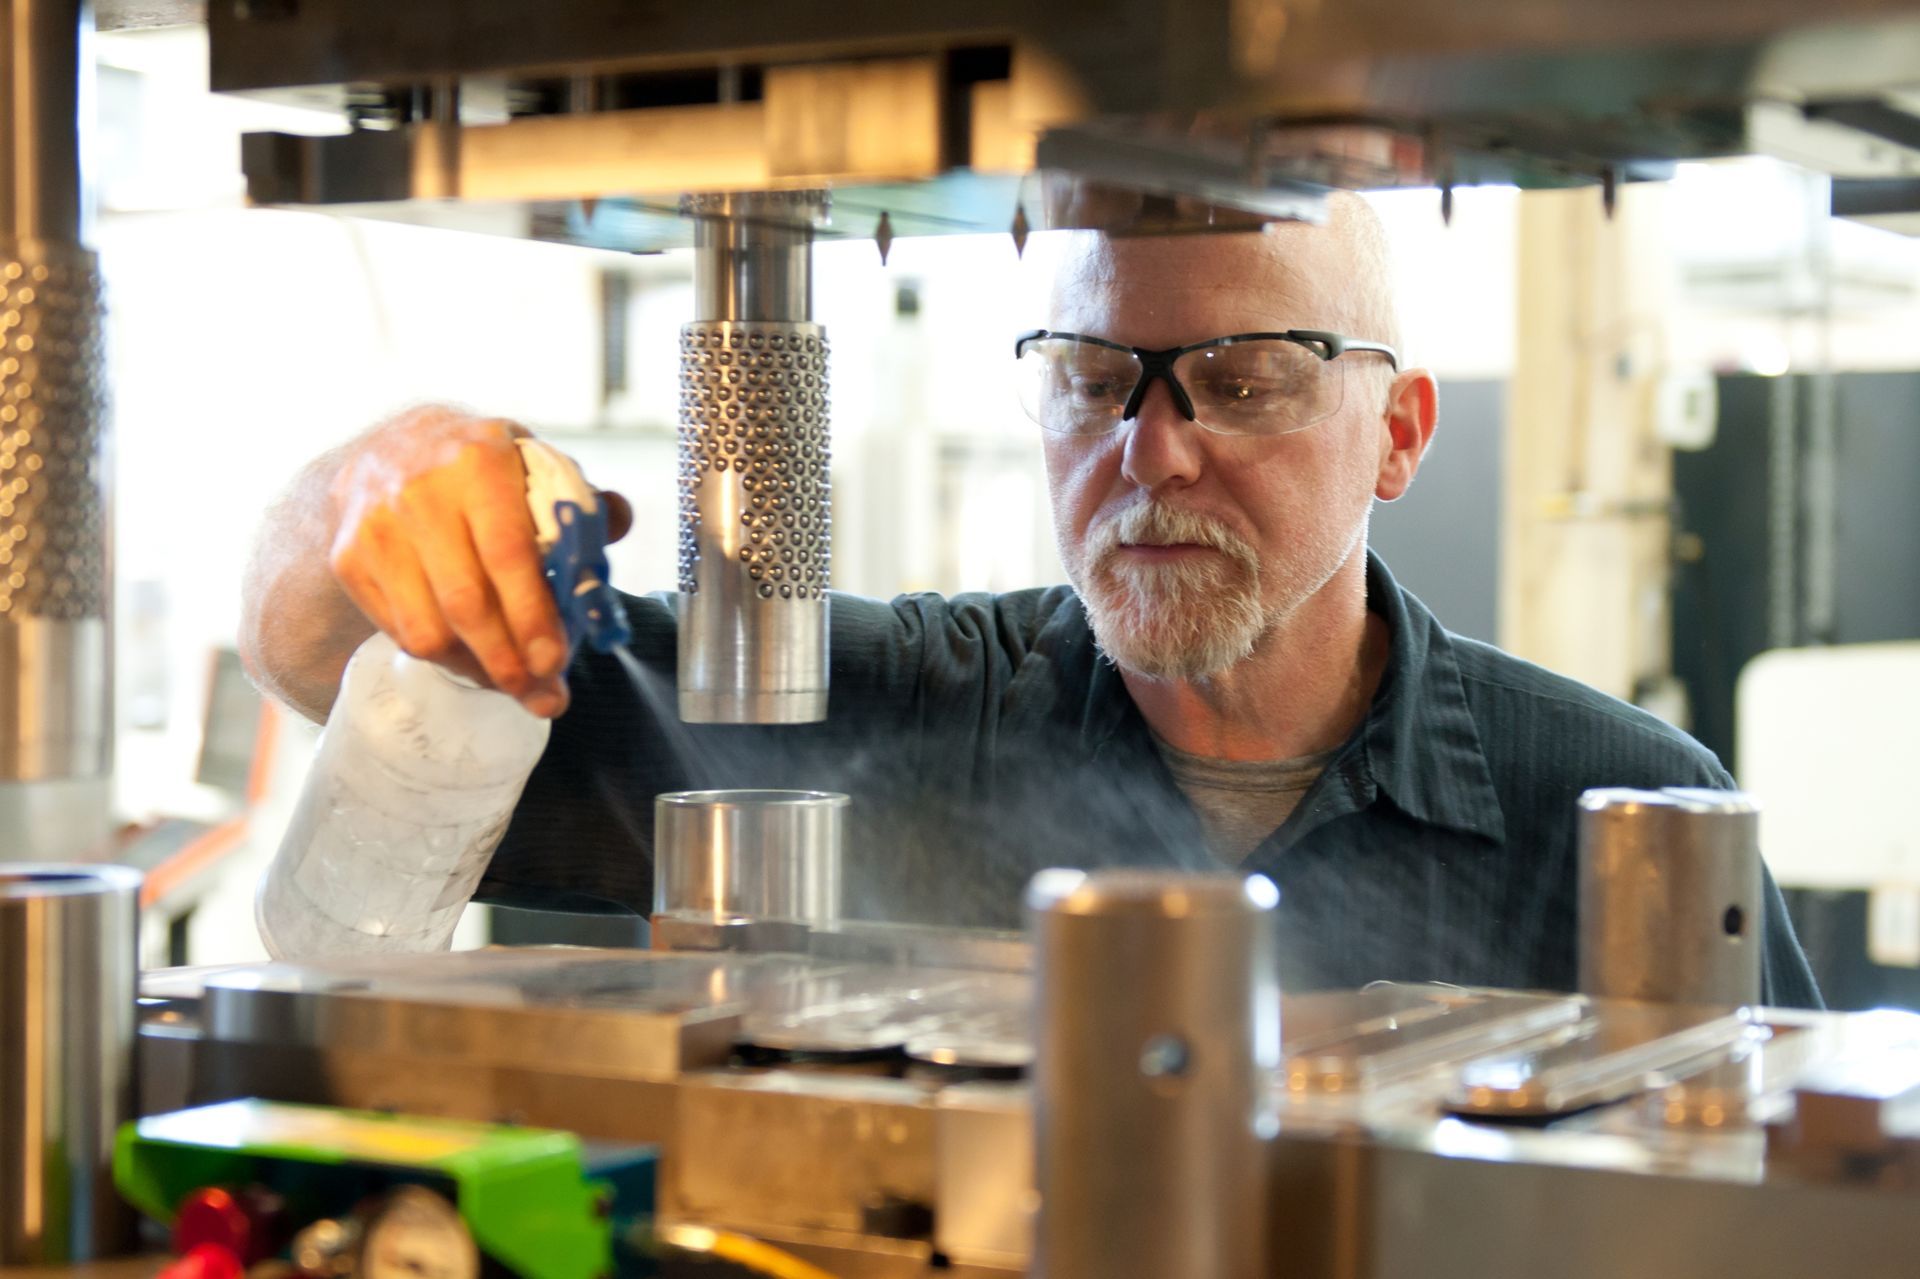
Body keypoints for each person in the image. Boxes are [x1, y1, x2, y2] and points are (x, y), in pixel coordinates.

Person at [240, 195, 1821, 1005]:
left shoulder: (1622, 817)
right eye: (1088, 381)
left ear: (1397, 433)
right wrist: (375, 489)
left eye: (1242, 380)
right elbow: (323, 654)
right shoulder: (873, 715)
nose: (1154, 453)